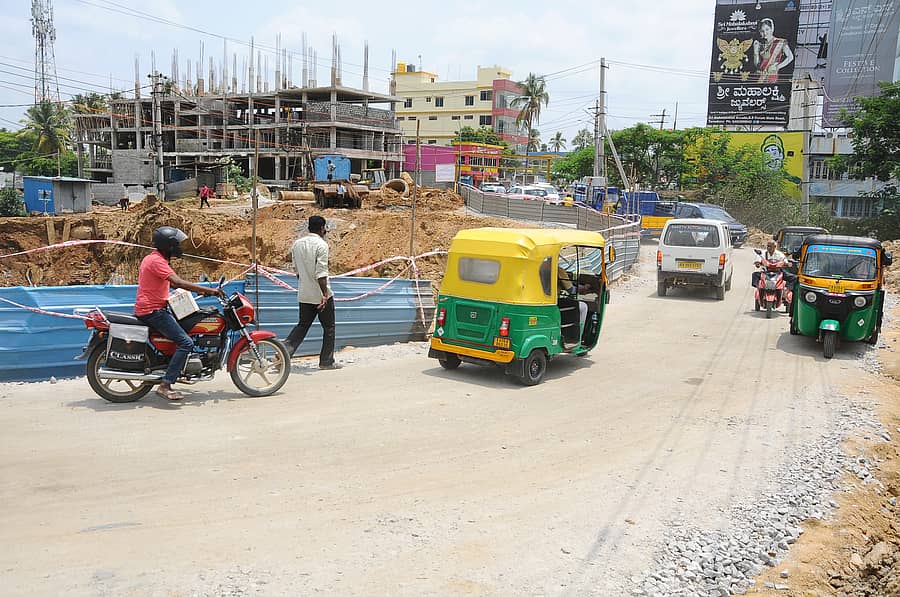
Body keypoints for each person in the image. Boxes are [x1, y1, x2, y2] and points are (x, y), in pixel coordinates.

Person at [134, 226, 224, 401]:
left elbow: (172, 285)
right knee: (186, 342)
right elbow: (177, 281)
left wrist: (201, 291)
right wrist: (210, 290)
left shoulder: (154, 258)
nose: (180, 248)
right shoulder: (157, 261)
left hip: (152, 308)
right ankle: (165, 384)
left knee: (184, 331)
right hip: (153, 311)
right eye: (177, 244)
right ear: (169, 246)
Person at [283, 215, 341, 370]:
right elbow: (321, 273)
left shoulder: (297, 244)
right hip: (321, 294)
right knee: (329, 328)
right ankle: (326, 362)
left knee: (302, 325)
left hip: (304, 293)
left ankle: (283, 353)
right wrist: (324, 294)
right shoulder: (322, 245)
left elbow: (297, 272)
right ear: (322, 229)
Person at [753, 18, 794, 83]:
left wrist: (777, 67)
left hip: (771, 75)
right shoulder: (760, 44)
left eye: (767, 29)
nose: (765, 33)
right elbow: (757, 65)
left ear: (772, 29)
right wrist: (755, 53)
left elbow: (790, 57)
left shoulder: (780, 42)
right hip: (759, 76)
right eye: (762, 31)